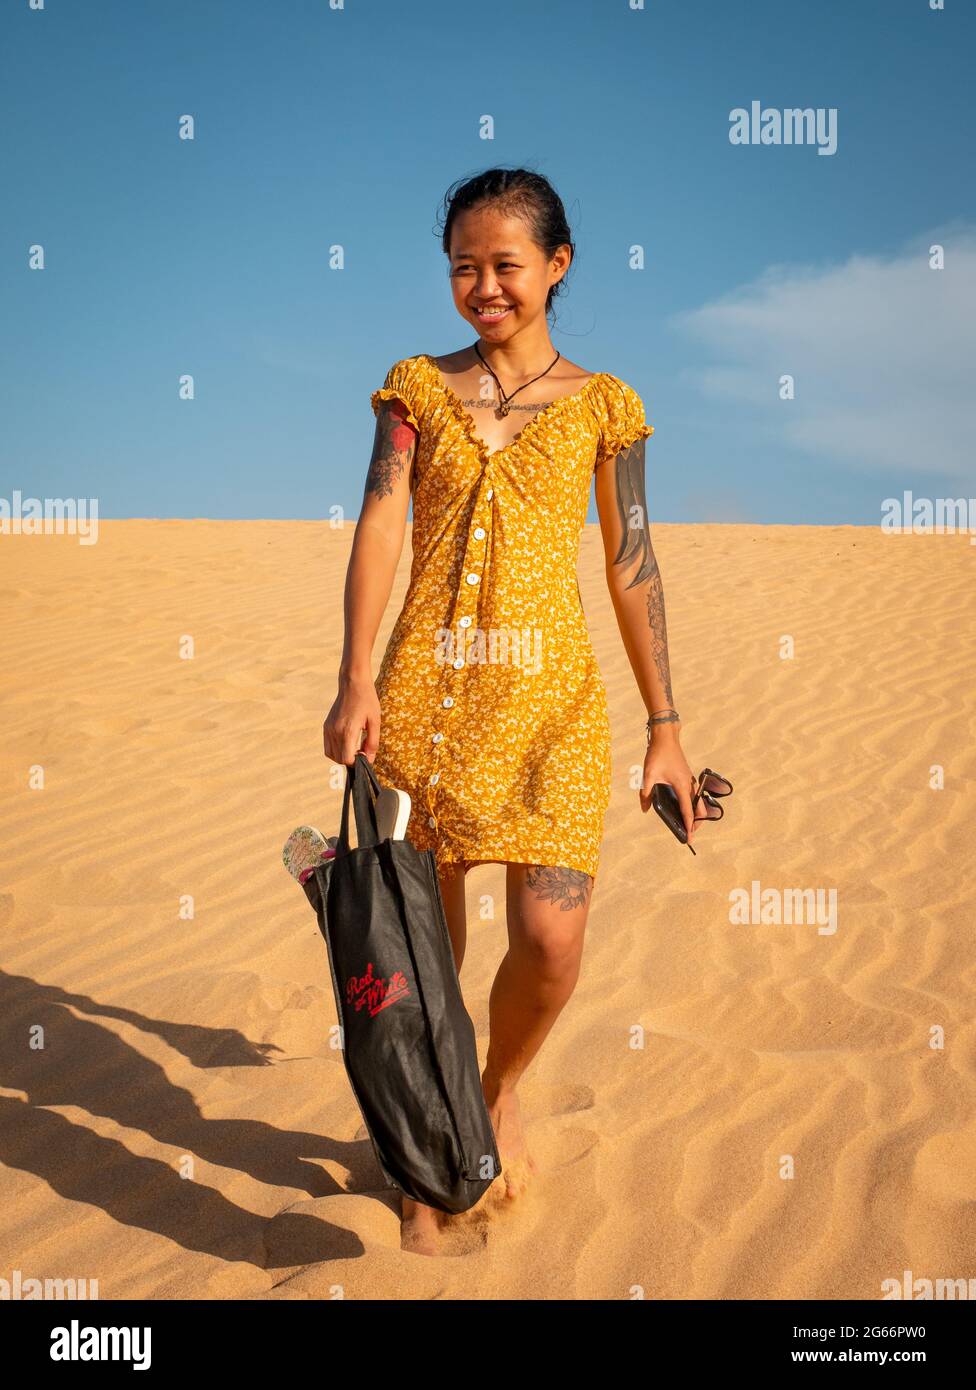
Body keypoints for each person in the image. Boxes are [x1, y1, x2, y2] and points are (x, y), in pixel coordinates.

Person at [323, 166, 698, 1254]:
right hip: (423, 701)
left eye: (503, 266)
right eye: (461, 268)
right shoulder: (414, 391)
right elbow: (380, 525)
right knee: (424, 952)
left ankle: (497, 1088)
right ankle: (437, 1143)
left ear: (557, 264)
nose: (481, 287)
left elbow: (633, 561)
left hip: (553, 708)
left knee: (550, 934)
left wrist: (666, 724)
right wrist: (354, 679)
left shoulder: (604, 406)